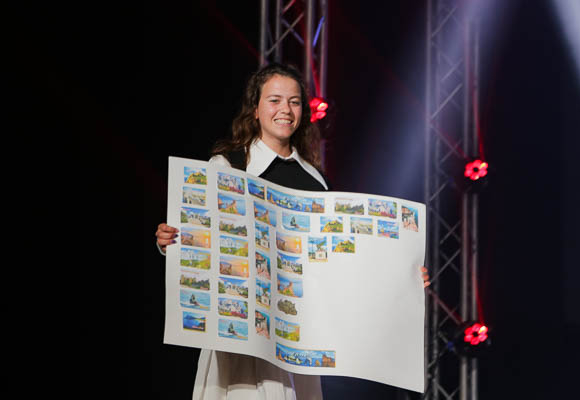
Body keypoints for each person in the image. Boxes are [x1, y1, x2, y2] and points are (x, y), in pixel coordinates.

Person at [155, 63, 429, 399]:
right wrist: (172, 242)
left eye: (295, 102)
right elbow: (203, 238)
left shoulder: (316, 181)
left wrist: (403, 276)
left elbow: (342, 265)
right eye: (274, 100)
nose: (285, 109)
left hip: (296, 350)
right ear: (255, 109)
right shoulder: (228, 166)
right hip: (239, 341)